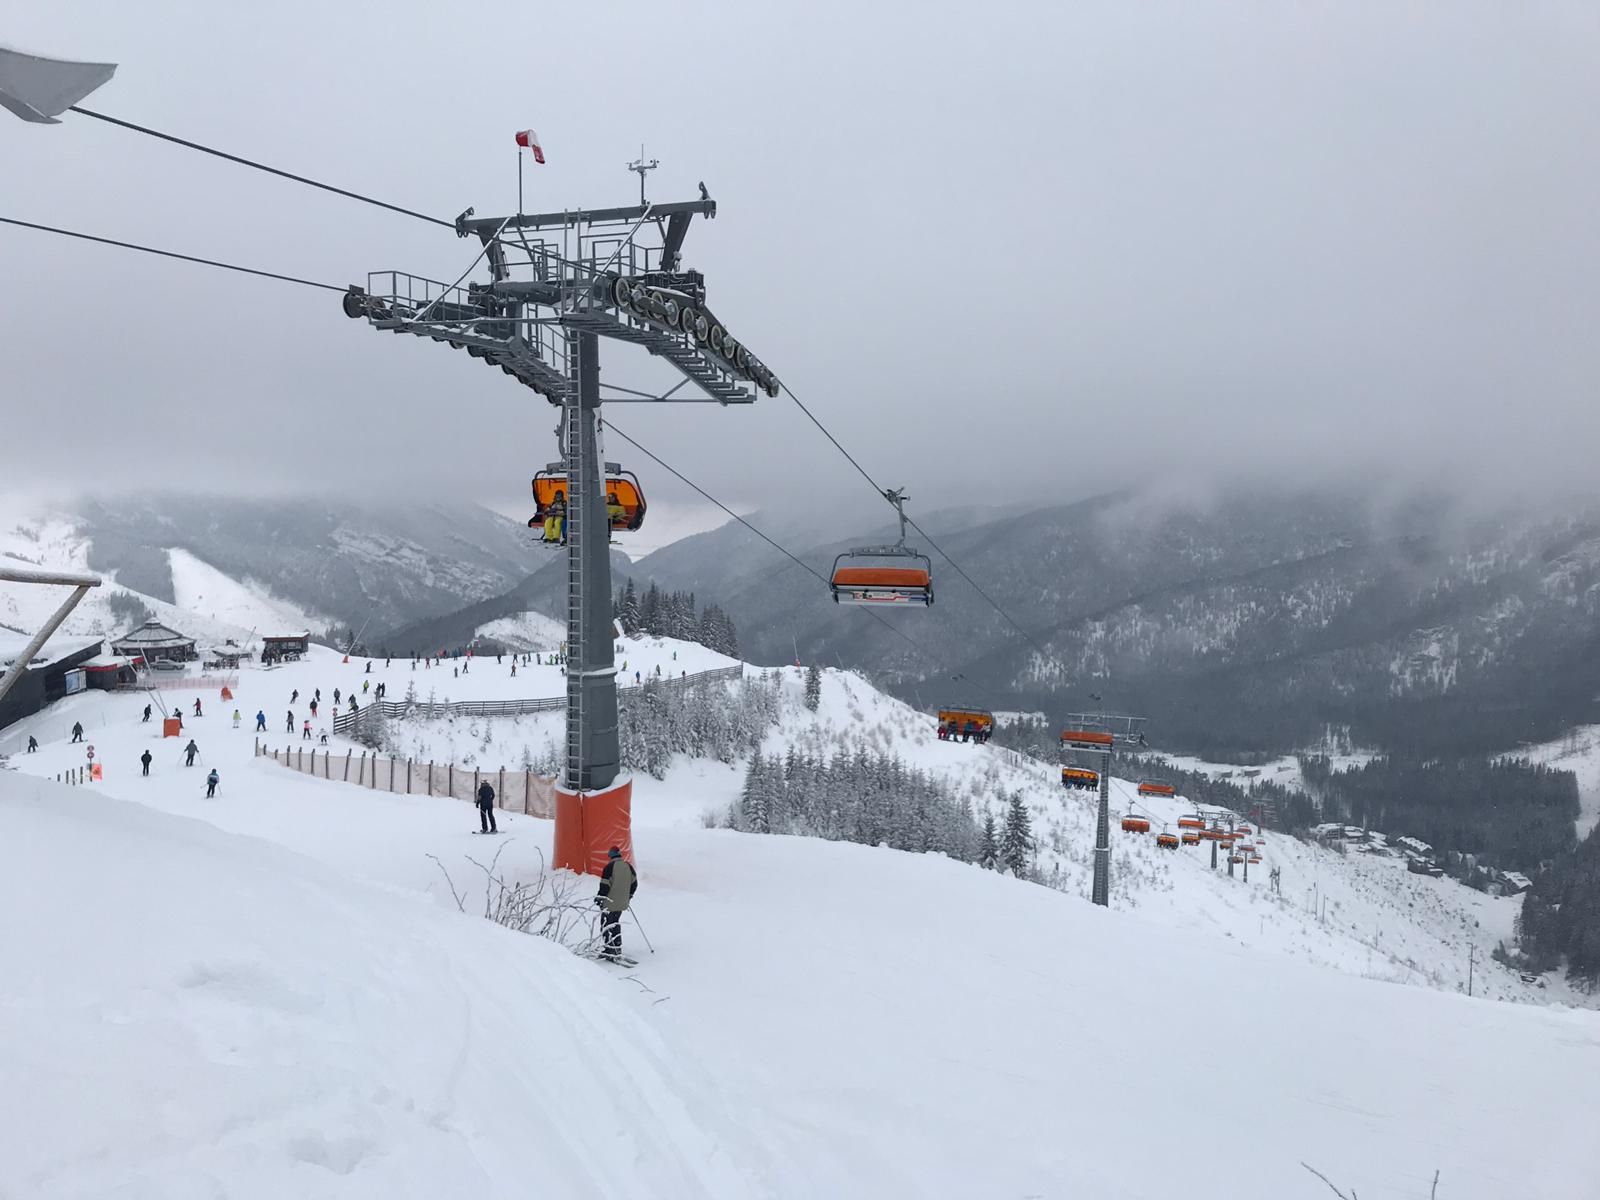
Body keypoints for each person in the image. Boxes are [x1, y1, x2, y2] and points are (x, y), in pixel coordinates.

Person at [594, 847, 638, 962]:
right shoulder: (628, 866)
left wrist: (600, 898)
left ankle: (610, 949)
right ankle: (617, 947)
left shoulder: (609, 867)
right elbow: (634, 883)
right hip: (622, 902)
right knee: (615, 922)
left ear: (610, 856)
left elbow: (604, 885)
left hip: (609, 902)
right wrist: (629, 896)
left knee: (606, 925)